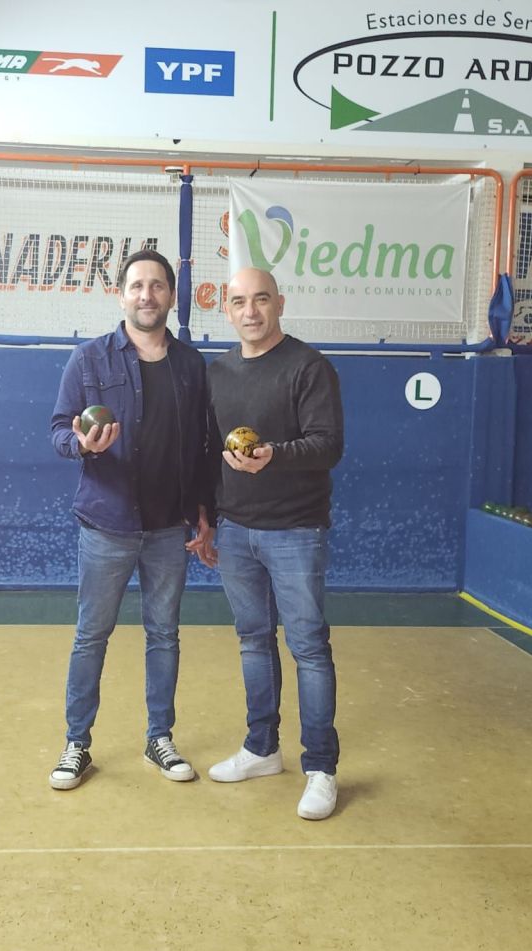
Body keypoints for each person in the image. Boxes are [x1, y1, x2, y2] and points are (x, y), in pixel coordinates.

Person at [49, 250, 212, 790]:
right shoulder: (89, 360)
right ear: (121, 295)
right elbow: (58, 430)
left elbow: (203, 446)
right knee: (91, 635)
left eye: (157, 285)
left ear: (171, 296)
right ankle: (77, 744)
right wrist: (82, 444)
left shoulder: (191, 366)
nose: (147, 295)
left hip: (168, 529)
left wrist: (204, 511)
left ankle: (159, 737)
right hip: (106, 526)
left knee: (164, 635)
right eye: (137, 285)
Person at [201, 267, 344, 820]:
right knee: (253, 641)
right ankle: (262, 748)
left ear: (279, 304)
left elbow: (328, 445)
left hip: (296, 531)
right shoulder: (218, 372)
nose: (251, 311)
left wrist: (273, 455)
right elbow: (209, 451)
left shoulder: (309, 367)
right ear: (227, 309)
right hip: (236, 531)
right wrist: (208, 518)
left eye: (261, 299)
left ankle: (321, 768)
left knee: (308, 647)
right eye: (239, 302)